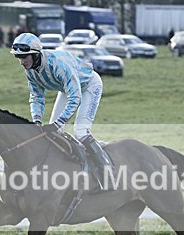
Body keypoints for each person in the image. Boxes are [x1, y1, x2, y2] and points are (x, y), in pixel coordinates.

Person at [9, 32, 112, 190]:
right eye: (19, 58)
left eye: (25, 57)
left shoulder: (58, 65)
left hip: (89, 85)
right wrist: (36, 121)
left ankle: (106, 174)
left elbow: (75, 98)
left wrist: (58, 123)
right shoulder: (30, 71)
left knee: (81, 131)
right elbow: (36, 97)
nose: (22, 62)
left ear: (36, 55)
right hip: (67, 89)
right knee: (53, 133)